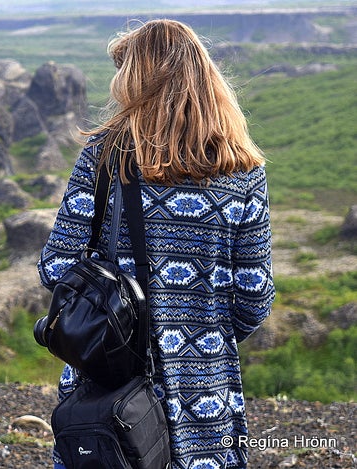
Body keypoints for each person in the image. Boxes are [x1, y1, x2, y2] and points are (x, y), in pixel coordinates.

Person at [37, 19, 275, 469]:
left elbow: (56, 268)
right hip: (205, 395)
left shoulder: (104, 155)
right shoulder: (244, 171)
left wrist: (116, 325)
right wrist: (199, 336)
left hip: (108, 388)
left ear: (138, 82)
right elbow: (254, 299)